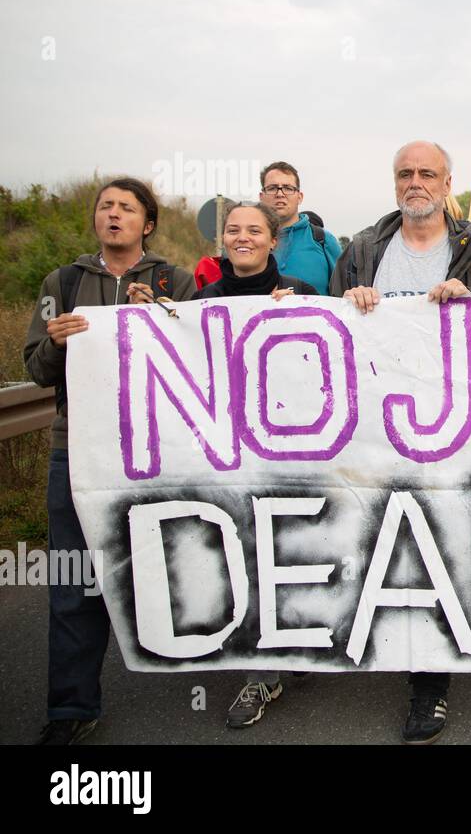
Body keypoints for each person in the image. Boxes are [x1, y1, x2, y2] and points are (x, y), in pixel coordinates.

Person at [332, 140, 471, 744]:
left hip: (453, 427)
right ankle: (393, 649)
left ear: (448, 183)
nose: (415, 182)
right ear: (394, 185)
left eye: (427, 173)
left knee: (437, 543)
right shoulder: (362, 250)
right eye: (405, 174)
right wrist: (349, 303)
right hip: (375, 428)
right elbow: (327, 326)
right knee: (392, 541)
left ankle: (430, 683)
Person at [24, 177, 197, 745]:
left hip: (157, 449)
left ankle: (197, 674)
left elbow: (204, 356)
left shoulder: (176, 279)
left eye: (126, 207)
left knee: (172, 568)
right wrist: (56, 343)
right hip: (78, 448)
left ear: (147, 223)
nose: (113, 214)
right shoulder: (62, 281)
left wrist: (167, 318)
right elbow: (38, 370)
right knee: (75, 579)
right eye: (105, 206)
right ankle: (72, 708)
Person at [190, 201, 316, 726]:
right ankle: (258, 677)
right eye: (234, 230)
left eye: (254, 230)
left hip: (294, 450)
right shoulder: (200, 302)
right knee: (244, 556)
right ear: (223, 241)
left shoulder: (304, 294)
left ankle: (301, 643)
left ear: (272, 240)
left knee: (291, 551)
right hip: (230, 454)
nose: (243, 237)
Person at [259, 161, 342, 295]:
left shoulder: (324, 241)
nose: (280, 194)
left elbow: (344, 293)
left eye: (288, 188)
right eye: (272, 188)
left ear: (299, 197)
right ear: (261, 197)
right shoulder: (250, 243)